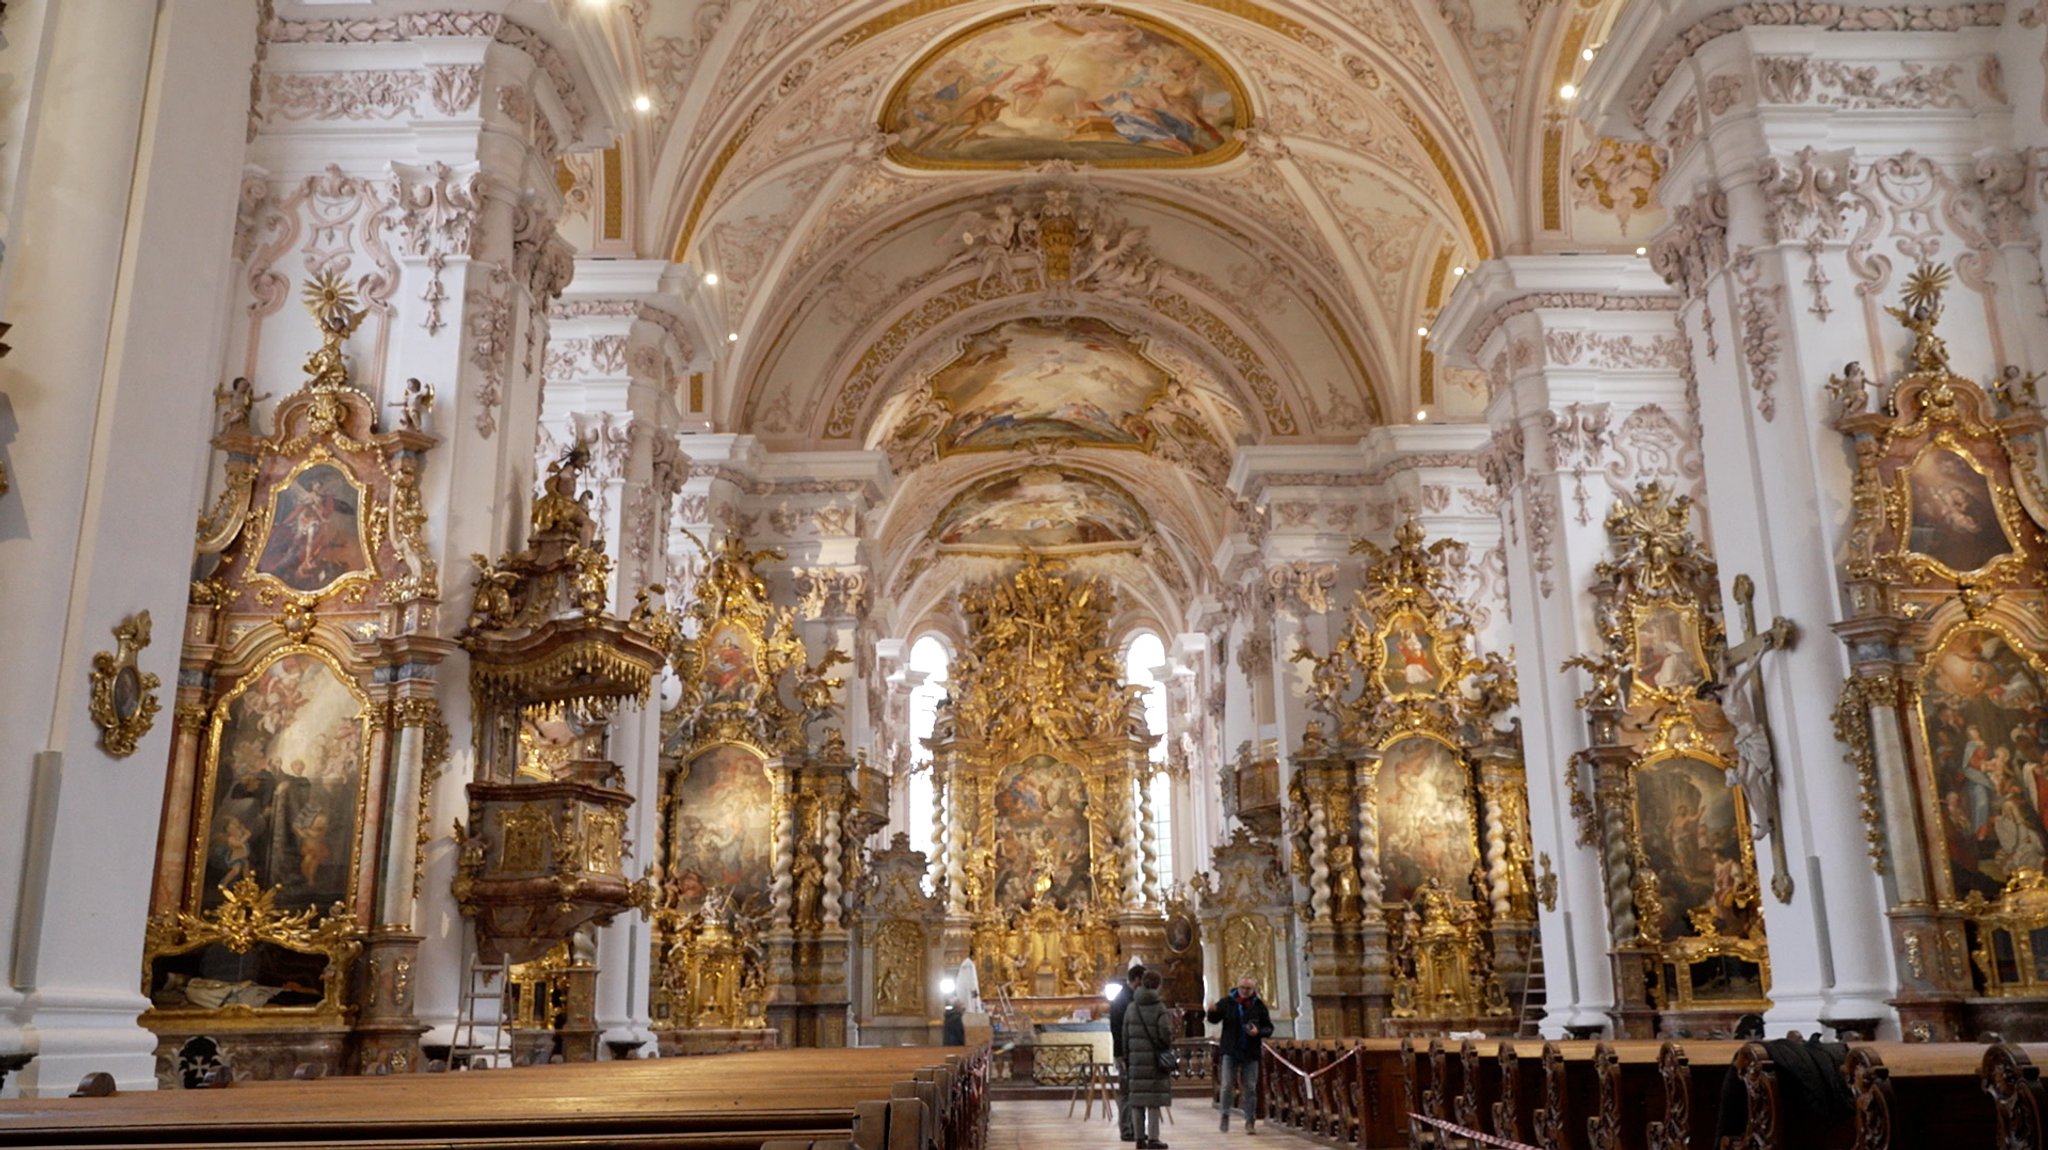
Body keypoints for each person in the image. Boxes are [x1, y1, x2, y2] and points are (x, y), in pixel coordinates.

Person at [1208, 975, 1274, 1134]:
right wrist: (1211, 1011)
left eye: (1248, 989)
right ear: (1237, 987)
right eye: (1242, 988)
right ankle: (1224, 1115)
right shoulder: (1227, 1002)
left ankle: (1250, 1121)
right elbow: (1214, 1019)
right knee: (1226, 1086)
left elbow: (1269, 1028)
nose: (1244, 991)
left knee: (1250, 1087)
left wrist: (1258, 1032)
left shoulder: (1258, 1006)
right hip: (1230, 1050)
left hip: (1250, 1052)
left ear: (1253, 989)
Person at [1123, 971, 1175, 1150]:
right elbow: (1165, 1033)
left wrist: (1128, 1056)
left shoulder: (1131, 1007)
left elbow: (1125, 1035)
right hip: (1154, 1060)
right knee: (1153, 1101)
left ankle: (1139, 1139)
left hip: (1136, 1061)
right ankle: (1153, 1139)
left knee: (1137, 1101)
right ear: (1158, 985)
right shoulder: (1159, 1007)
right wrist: (1166, 1042)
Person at [1109, 963, 1144, 1142]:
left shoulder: (1132, 996)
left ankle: (1136, 1128)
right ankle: (1126, 1129)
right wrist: (1120, 1053)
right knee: (1126, 1091)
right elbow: (1116, 1028)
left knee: (1134, 1090)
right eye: (1142, 980)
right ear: (1137, 979)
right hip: (1125, 1051)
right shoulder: (1123, 998)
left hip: (1134, 1050)